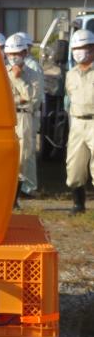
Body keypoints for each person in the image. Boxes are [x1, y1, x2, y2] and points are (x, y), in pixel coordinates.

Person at [4, 33, 41, 207]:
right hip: (6, 118)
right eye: (10, 54)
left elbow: (33, 98)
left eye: (17, 53)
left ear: (25, 53)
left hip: (25, 117)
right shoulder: (1, 72)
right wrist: (20, 97)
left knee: (22, 158)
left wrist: (18, 80)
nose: (14, 57)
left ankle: (14, 199)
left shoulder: (34, 74)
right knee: (4, 158)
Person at [64, 28, 94, 213]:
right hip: (77, 122)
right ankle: (78, 204)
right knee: (74, 166)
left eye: (82, 47)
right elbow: (69, 98)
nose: (78, 51)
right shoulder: (71, 74)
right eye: (75, 48)